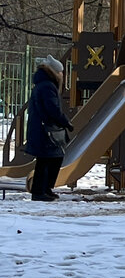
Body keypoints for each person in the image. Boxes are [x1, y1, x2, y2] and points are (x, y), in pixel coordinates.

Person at [25, 55, 74, 202]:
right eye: (61, 72)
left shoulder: (43, 84)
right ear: (55, 72)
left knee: (48, 159)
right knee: (48, 159)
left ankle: (44, 189)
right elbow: (52, 109)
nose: (62, 75)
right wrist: (65, 122)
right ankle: (40, 191)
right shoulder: (48, 86)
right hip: (45, 129)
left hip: (42, 128)